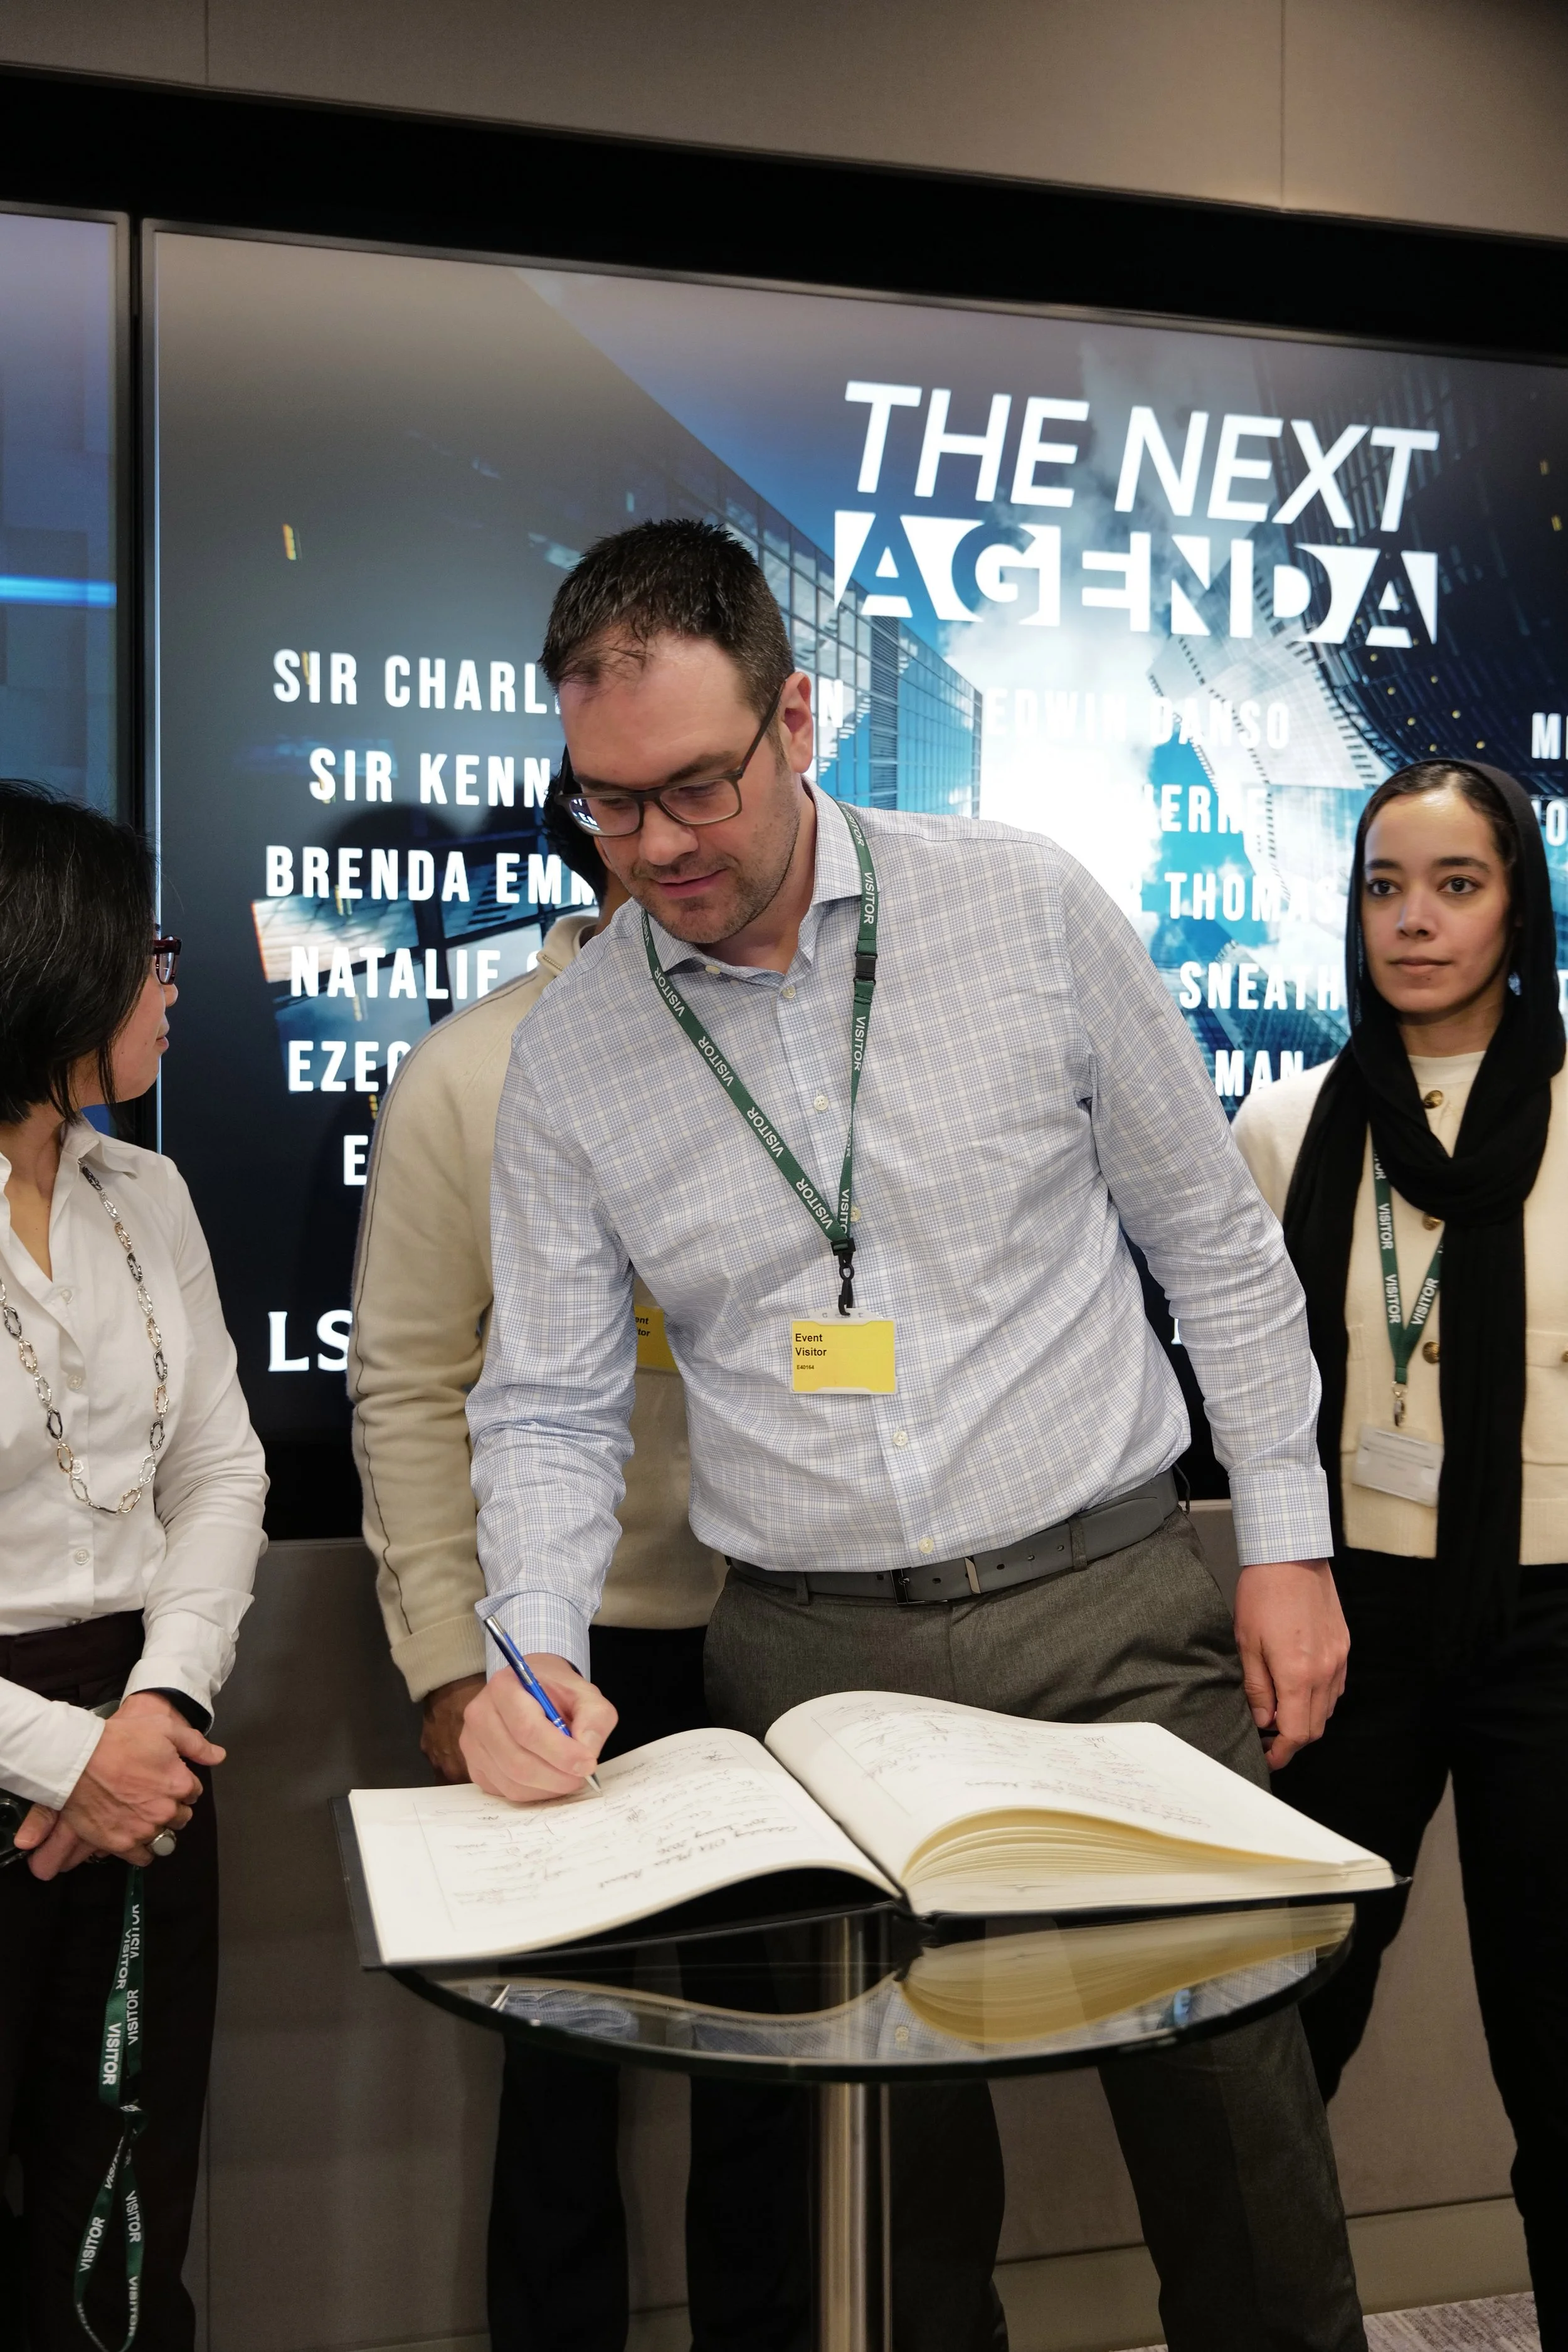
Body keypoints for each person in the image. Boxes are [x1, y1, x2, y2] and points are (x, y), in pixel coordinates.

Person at [460, 517, 1365, 2352]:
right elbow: (547, 1400)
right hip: (808, 1660)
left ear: (796, 715)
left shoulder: (1021, 906)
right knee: (881, 2210)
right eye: (604, 805)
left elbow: (1213, 1240)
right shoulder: (571, 1055)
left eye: (694, 786)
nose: (655, 848)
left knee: (1232, 2135)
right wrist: (531, 1650)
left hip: (1108, 1608)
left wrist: (1284, 1536)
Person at [347, 783, 807, 2352]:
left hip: (780, 1632)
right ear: (593, 844)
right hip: (558, 1649)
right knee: (559, 2078)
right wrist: (447, 1659)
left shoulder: (802, 1038)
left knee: (780, 2085)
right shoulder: (476, 1069)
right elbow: (408, 1381)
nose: (678, 855)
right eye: (637, 819)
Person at [1234, 759, 1568, 2350]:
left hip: (1552, 1627)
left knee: (1558, 2040)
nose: (1414, 921)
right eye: (1383, 885)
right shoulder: (1285, 1125)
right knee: (1286, 2018)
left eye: (1454, 884)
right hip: (1342, 1621)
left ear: (1518, 905)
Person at [0, 780, 267, 2351]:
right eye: (145, 952)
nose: (171, 983)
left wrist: (158, 1706)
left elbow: (221, 1469)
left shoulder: (142, 1189)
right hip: (34, 1739)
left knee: (125, 2188)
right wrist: (60, 1757)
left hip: (155, 1743)